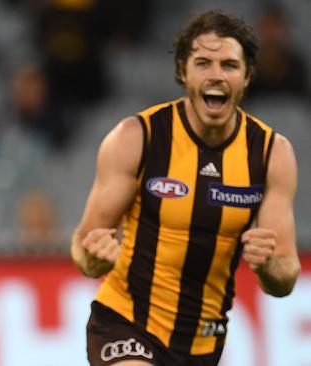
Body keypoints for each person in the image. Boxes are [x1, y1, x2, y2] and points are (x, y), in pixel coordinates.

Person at [71, 10, 300, 366]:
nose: (216, 75)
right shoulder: (138, 138)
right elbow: (83, 246)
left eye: (228, 65)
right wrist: (93, 258)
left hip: (203, 344)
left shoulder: (272, 154)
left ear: (247, 76)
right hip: (126, 323)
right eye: (203, 63)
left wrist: (270, 266)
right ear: (183, 71)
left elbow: (284, 279)